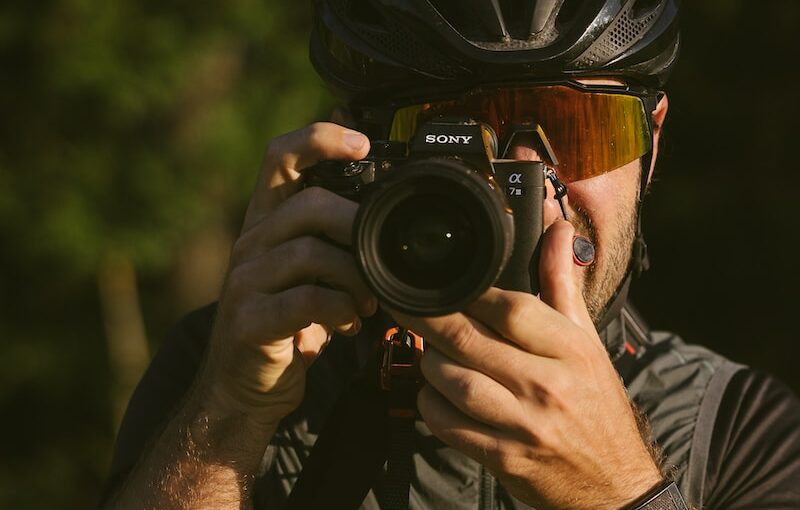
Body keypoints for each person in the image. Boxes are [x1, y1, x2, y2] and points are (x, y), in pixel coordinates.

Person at [99, 1, 800, 509]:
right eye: (461, 136)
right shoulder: (236, 367)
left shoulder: (737, 425)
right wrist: (229, 416)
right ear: (356, 146)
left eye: (582, 130)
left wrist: (616, 493)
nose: (530, 177)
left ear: (652, 144)